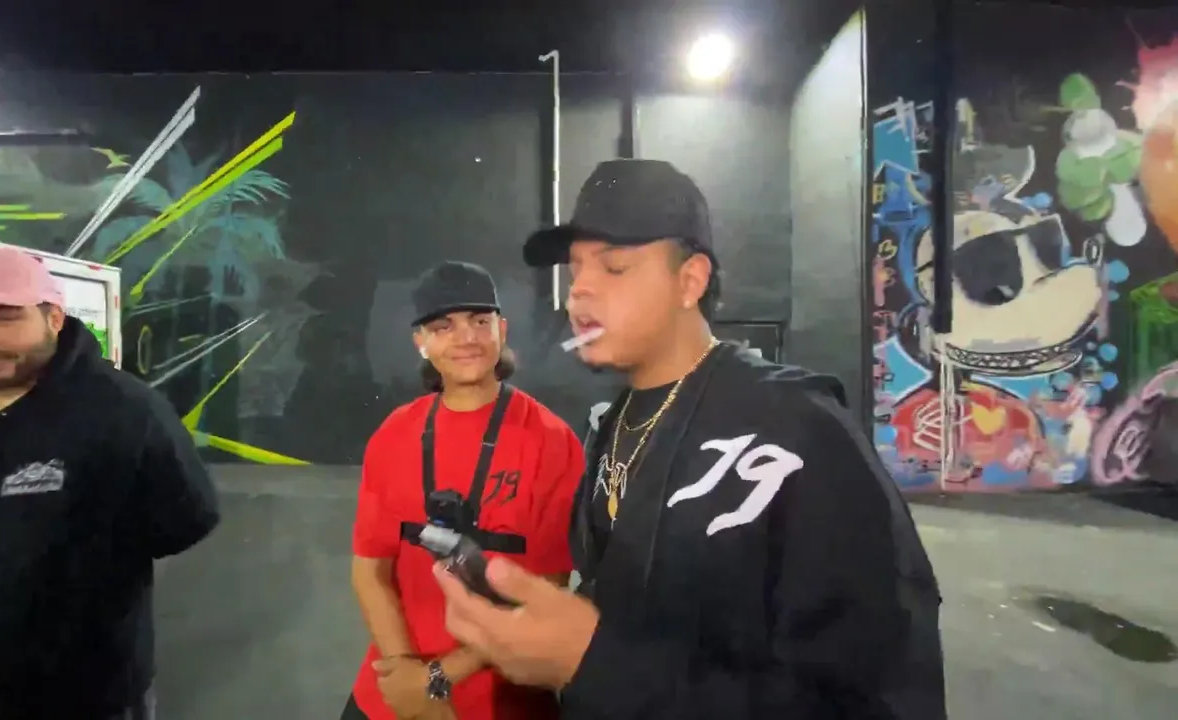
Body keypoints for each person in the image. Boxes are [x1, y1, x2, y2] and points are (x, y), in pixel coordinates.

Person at [434, 159, 947, 719]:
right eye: (575, 269)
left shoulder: (800, 431)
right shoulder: (613, 423)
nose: (578, 291)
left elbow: (881, 699)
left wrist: (594, 663)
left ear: (690, 281)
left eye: (615, 267)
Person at [0, 243, 220, 719]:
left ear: (53, 318)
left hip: (75, 690)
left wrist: (73, 567)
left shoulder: (123, 409)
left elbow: (188, 519)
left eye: (5, 317)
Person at [346, 261, 583, 720]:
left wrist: (437, 679)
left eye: (479, 321)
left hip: (502, 699)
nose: (466, 338)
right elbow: (369, 571)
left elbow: (542, 596)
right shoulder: (394, 434)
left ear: (502, 329)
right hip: (392, 694)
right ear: (420, 341)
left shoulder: (552, 442)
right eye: (444, 326)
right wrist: (407, 679)